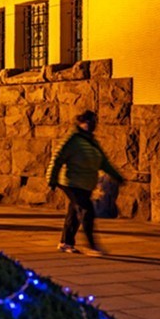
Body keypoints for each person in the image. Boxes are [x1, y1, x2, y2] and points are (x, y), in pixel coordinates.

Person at [46, 109, 124, 254]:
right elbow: (57, 158)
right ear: (82, 122)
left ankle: (65, 242)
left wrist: (116, 176)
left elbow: (103, 162)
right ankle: (91, 245)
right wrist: (51, 179)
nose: (92, 124)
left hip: (85, 184)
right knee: (87, 211)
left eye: (94, 122)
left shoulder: (92, 142)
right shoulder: (72, 139)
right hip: (70, 182)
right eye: (89, 121)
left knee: (75, 212)